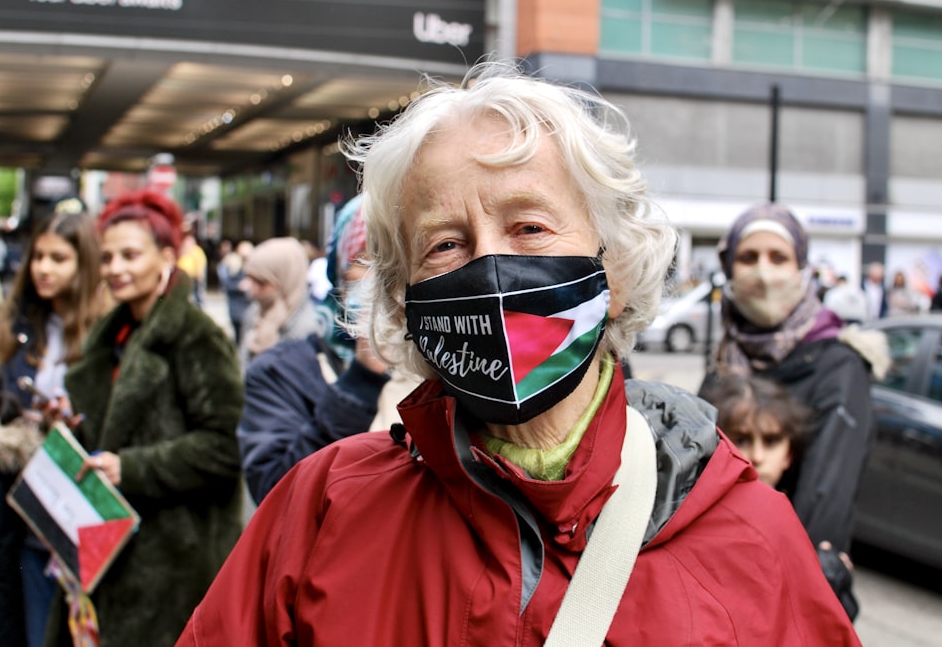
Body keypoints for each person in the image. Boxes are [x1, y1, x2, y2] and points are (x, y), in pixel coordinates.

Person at [177, 61, 859, 646]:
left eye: (529, 226)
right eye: (444, 243)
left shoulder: (754, 539)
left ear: (614, 269)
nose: (492, 266)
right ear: (402, 298)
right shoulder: (323, 508)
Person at [44, 189, 244, 647]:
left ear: (167, 257)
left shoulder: (197, 337)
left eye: (130, 255)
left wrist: (129, 467)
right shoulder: (111, 334)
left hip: (171, 563)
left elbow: (222, 447)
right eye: (108, 256)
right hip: (104, 552)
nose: (115, 268)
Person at [700, 203, 889, 618]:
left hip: (790, 594)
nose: (763, 272)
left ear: (802, 269)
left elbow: (826, 499)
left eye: (778, 257)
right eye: (748, 258)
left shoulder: (839, 365)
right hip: (715, 583)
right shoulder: (724, 362)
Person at [237, 198, 405, 504]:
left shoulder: (457, 372)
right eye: (368, 260)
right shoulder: (280, 371)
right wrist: (362, 379)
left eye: (404, 262)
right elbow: (275, 493)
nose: (390, 280)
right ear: (339, 274)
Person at [0, 210, 105, 647]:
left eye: (58, 258)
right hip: (20, 511)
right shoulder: (13, 327)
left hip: (85, 508)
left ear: (84, 264)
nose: (42, 268)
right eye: (38, 256)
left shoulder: (105, 332)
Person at [700, 373, 859, 619]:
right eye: (742, 439)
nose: (758, 456)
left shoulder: (797, 524)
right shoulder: (697, 516)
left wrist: (834, 585)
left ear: (789, 454)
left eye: (771, 441)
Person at [237, 237, 321, 368]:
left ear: (286, 280)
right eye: (250, 280)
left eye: (261, 282)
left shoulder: (309, 330)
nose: (252, 290)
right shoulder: (253, 313)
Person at [217, 240, 252, 344]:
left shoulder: (254, 269)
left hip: (248, 308)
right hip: (236, 309)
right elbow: (226, 285)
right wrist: (240, 286)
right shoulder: (233, 266)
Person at [177, 222, 208, 307]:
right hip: (181, 276)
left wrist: (199, 273)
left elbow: (200, 262)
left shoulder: (196, 251)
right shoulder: (180, 248)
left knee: (195, 296)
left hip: (192, 277)